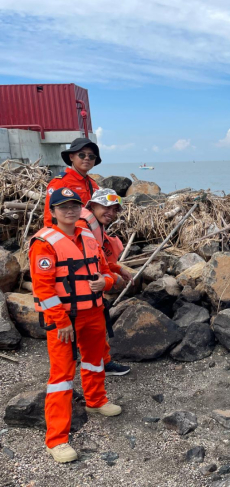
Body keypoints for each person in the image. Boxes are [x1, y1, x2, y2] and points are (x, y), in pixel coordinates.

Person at [29, 188, 122, 463]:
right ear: (53, 211)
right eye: (63, 207)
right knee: (61, 377)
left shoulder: (89, 238)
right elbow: (43, 289)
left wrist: (103, 283)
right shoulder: (43, 243)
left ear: (80, 208)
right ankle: (56, 439)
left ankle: (96, 401)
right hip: (63, 319)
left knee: (95, 360)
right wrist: (61, 321)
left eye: (74, 206)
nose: (69, 211)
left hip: (93, 312)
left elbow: (106, 272)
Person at [77, 188, 133, 376]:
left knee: (98, 329)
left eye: (115, 209)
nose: (111, 213)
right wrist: (111, 279)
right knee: (84, 338)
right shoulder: (81, 227)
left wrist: (118, 269)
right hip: (80, 293)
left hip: (91, 291)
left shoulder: (94, 226)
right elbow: (89, 263)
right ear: (92, 205)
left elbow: (100, 258)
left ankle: (104, 363)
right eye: (106, 207)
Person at [44, 138, 101, 228]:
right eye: (82, 155)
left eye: (91, 156)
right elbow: (49, 217)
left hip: (90, 234)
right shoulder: (60, 182)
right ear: (71, 157)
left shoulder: (93, 184)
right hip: (69, 234)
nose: (87, 158)